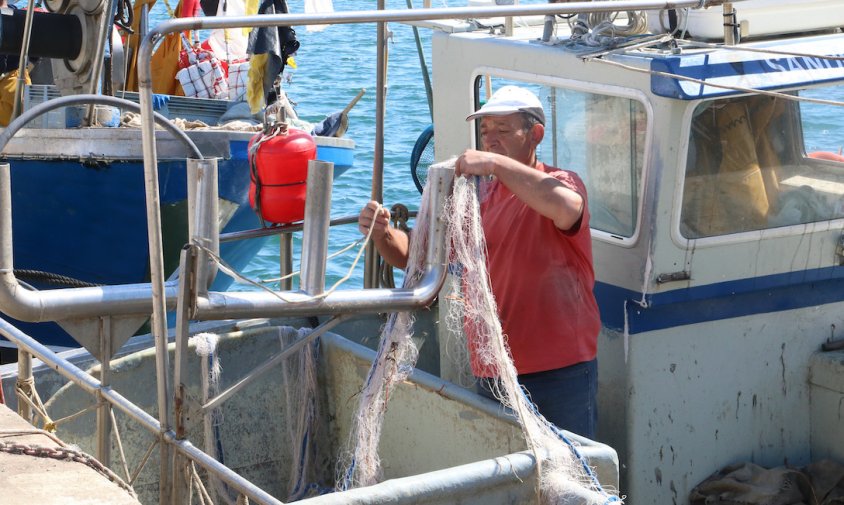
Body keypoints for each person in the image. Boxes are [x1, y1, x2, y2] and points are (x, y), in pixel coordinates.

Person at [358, 85, 601, 438]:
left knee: (573, 479)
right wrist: (381, 233)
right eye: (486, 132)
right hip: (493, 373)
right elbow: (415, 256)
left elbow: (566, 207)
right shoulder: (478, 200)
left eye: (503, 131)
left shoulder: (562, 182)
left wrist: (494, 164)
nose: (491, 140)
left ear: (535, 135)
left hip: (560, 370)